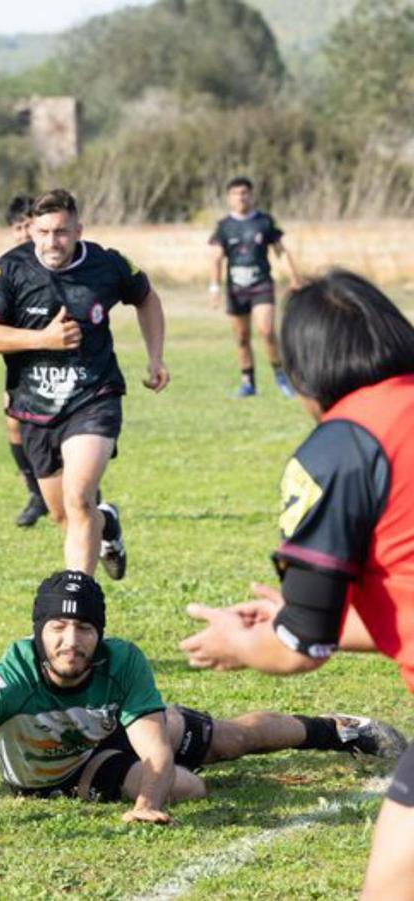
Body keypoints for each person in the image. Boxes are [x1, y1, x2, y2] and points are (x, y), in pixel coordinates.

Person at [179, 270, 414, 899]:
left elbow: (297, 649)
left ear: (305, 370)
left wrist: (244, 641)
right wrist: (317, 614)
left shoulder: (342, 446)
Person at [0, 570, 406, 821]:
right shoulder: (18, 672)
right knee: (191, 785)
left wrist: (147, 801)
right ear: (38, 632)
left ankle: (339, 730)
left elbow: (154, 747)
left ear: (98, 633)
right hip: (63, 773)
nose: (70, 640)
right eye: (57, 628)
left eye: (82, 629)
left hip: (115, 733)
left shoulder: (120, 661)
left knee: (227, 740)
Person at [0, 189, 169, 580]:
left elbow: (147, 299)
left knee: (78, 499)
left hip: (93, 397)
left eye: (61, 232)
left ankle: (78, 603)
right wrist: (42, 339)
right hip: (34, 407)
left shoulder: (107, 265)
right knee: (63, 514)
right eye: (42, 232)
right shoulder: (10, 269)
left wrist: (155, 357)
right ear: (31, 230)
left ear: (78, 230)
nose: (51, 242)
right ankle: (107, 525)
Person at [208, 176, 301, 399]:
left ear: (251, 195)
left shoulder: (264, 221)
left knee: (266, 331)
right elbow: (216, 258)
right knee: (241, 337)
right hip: (236, 288)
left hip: (261, 285)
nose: (241, 197)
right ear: (229, 198)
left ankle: (281, 376)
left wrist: (294, 278)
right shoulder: (224, 226)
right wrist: (214, 288)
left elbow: (281, 251)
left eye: (245, 193)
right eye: (236, 193)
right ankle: (247, 382)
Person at [0, 194, 48, 528]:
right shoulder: (7, 265)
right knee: (14, 422)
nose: (23, 233)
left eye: (28, 225)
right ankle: (36, 493)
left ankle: (80, 488)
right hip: (20, 359)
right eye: (18, 227)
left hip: (62, 358)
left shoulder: (56, 259)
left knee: (58, 427)